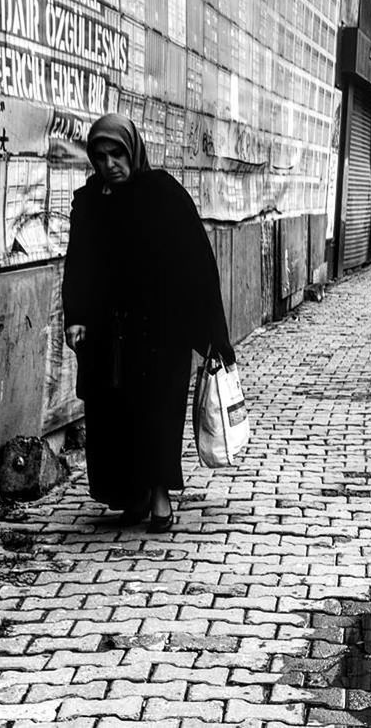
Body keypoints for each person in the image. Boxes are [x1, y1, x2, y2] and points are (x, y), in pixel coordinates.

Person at [62, 113, 234, 531]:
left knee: (154, 413)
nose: (109, 165)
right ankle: (130, 495)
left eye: (116, 154)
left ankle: (159, 498)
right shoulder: (89, 201)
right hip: (107, 332)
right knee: (112, 415)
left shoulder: (162, 194)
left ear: (132, 150)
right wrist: (77, 316)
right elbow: (79, 262)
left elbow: (196, 262)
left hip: (159, 331)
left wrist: (209, 331)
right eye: (100, 157)